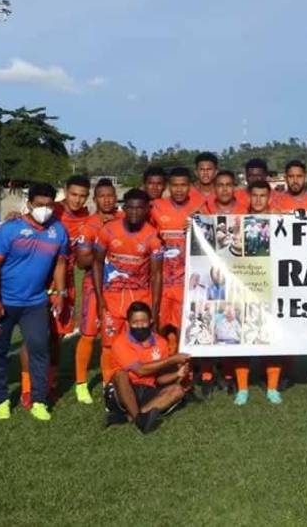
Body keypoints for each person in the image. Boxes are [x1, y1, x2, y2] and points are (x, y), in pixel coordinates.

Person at [0, 182, 69, 422]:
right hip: (4, 302)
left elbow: (61, 263)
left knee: (39, 350)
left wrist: (59, 292)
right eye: (39, 205)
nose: (44, 209)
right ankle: (1, 400)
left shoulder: (58, 231)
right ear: (29, 204)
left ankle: (39, 400)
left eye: (49, 205)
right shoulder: (10, 229)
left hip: (35, 303)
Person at [16, 175, 92, 409]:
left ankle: (49, 383)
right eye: (73, 194)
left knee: (57, 337)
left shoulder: (87, 219)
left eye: (82, 196)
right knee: (33, 337)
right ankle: (28, 389)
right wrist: (14, 217)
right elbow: (25, 222)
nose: (77, 200)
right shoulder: (51, 210)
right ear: (65, 192)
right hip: (38, 280)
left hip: (65, 282)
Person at [88, 189, 164, 386]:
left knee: (137, 341)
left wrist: (154, 308)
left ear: (147, 210)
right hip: (112, 297)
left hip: (140, 297)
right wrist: (100, 298)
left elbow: (156, 275)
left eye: (139, 208)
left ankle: (136, 382)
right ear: (124, 208)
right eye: (130, 207)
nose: (134, 212)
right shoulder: (108, 230)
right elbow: (96, 263)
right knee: (108, 343)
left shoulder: (152, 237)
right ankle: (109, 384)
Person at [231, 180, 284, 406]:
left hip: (272, 286)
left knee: (271, 338)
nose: (259, 200)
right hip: (245, 286)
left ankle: (272, 387)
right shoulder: (238, 221)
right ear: (249, 198)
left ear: (269, 197)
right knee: (243, 338)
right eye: (255, 196)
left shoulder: (281, 221)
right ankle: (242, 388)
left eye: (263, 196)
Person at [105, 302, 191, 433]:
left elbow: (159, 379)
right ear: (128, 324)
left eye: (143, 321)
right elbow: (140, 370)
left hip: (148, 390)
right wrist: (171, 360)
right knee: (120, 374)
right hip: (123, 390)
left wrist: (177, 374)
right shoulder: (120, 342)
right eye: (135, 322)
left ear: (151, 321)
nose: (139, 326)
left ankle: (134, 417)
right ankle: (140, 419)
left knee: (178, 390)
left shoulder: (161, 343)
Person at [73, 179, 122, 401]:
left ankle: (108, 381)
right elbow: (83, 260)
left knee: (110, 337)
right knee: (89, 334)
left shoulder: (124, 220)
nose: (107, 199)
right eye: (102, 196)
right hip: (94, 286)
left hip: (118, 287)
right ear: (95, 200)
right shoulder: (90, 225)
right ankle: (81, 383)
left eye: (110, 195)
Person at [150, 168, 204, 354]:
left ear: (190, 186)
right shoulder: (156, 207)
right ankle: (163, 362)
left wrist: (200, 226)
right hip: (162, 280)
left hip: (187, 281)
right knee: (160, 325)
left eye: (183, 185)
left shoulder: (200, 207)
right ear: (168, 187)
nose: (179, 189)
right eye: (175, 185)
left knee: (185, 326)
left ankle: (183, 372)